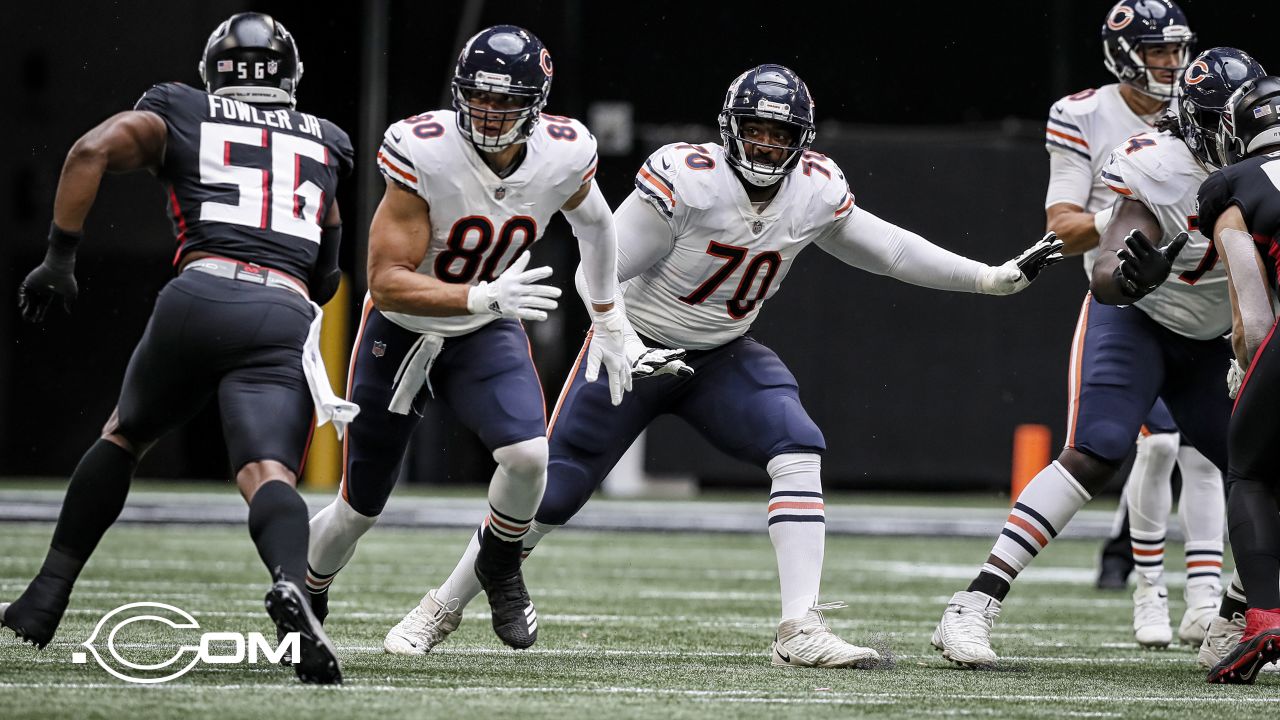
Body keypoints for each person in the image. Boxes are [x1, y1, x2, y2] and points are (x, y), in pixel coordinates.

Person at [379, 63, 1064, 667]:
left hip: (721, 352)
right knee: (548, 500)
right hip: (634, 347)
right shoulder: (688, 180)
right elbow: (604, 264)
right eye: (756, 129)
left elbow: (888, 249)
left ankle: (800, 625)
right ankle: (442, 605)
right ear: (729, 129)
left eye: (780, 133)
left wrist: (987, 278)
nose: (767, 144)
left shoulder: (815, 189)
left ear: (803, 140)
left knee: (798, 445)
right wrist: (617, 336)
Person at [2, 13, 353, 684]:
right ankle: (293, 591)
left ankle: (45, 596)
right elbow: (329, 270)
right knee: (266, 475)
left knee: (124, 438)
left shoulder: (180, 107)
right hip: (282, 307)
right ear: (290, 77)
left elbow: (88, 152)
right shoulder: (327, 141)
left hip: (199, 294)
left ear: (214, 69)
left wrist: (59, 257)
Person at [304, 25, 642, 651]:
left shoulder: (563, 152)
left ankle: (501, 563)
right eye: (479, 97)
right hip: (404, 333)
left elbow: (596, 225)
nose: (489, 113)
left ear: (536, 105)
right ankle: (308, 589)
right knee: (358, 509)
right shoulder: (424, 150)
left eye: (507, 100)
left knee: (529, 457)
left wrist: (609, 315)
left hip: (485, 330)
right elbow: (385, 281)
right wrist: (480, 295)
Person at [932, 47, 1264, 669]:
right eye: (1231, 119)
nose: (1245, 132)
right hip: (1137, 321)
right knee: (1096, 450)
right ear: (1198, 122)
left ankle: (1235, 615)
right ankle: (972, 605)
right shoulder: (1158, 166)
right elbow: (1107, 273)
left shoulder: (1264, 167)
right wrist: (1134, 275)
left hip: (1215, 339)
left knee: (1262, 471)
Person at [1044, 0, 1224, 647]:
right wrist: (1141, 205)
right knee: (1157, 444)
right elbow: (1063, 228)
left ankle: (1205, 597)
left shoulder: (1208, 102)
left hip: (1209, 295)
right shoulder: (1082, 115)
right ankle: (1148, 590)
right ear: (1125, 56)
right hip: (1133, 298)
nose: (1173, 64)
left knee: (1210, 451)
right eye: (1158, 52)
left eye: (1179, 50)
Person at [1197, 75, 1280, 684]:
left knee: (1250, 470)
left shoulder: (1232, 186)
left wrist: (1245, 363)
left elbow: (1253, 319)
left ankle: (1263, 619)